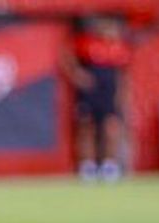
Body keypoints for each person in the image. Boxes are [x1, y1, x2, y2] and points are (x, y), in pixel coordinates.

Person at [61, 15, 131, 182]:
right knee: (87, 127)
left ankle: (109, 166)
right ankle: (88, 166)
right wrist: (77, 75)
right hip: (90, 93)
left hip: (109, 94)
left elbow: (122, 76)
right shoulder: (86, 43)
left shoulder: (118, 47)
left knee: (110, 128)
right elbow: (66, 56)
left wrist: (122, 96)